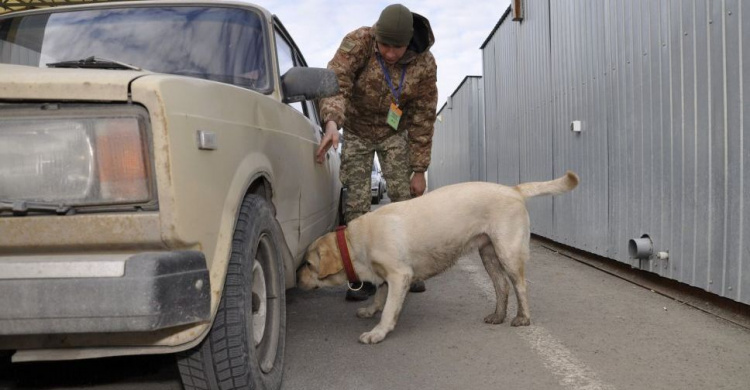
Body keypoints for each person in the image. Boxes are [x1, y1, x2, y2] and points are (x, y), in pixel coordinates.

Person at [315, 4, 438, 301]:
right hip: (355, 129)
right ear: (376, 36)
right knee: (356, 203)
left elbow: (423, 116)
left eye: (397, 47)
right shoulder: (359, 42)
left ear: (408, 42)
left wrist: (419, 170)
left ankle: (410, 269)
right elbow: (336, 81)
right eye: (384, 45)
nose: (389, 53)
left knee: (405, 200)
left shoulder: (424, 64)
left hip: (394, 132)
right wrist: (332, 122)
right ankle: (362, 275)